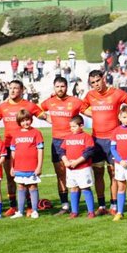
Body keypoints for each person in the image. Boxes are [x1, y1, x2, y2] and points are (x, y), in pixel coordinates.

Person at [0, 79, 47, 216]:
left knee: (28, 178)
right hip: (8, 146)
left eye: (16, 88)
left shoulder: (29, 105)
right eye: (10, 88)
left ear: (22, 90)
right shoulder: (2, 107)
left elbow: (45, 116)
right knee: (11, 178)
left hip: (27, 148)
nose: (12, 90)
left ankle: (30, 207)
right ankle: (13, 207)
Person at [82, 70, 127, 215]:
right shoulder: (90, 95)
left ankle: (114, 205)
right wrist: (94, 114)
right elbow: (82, 107)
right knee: (98, 173)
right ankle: (102, 205)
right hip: (96, 140)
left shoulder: (116, 93)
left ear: (103, 79)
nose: (96, 85)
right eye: (93, 83)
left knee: (113, 173)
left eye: (98, 81)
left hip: (113, 141)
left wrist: (123, 118)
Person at [41, 76, 89, 214]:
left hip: (72, 141)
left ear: (67, 87)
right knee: (60, 174)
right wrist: (47, 118)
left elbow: (88, 111)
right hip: (56, 141)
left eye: (62, 86)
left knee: (76, 172)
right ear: (54, 87)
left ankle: (75, 205)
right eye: (57, 86)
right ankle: (65, 205)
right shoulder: (49, 101)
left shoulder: (75, 101)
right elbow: (37, 109)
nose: (60, 89)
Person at [9, 109, 44, 219]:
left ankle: (34, 211)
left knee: (32, 187)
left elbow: (40, 150)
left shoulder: (36, 133)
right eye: (22, 121)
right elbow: (12, 152)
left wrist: (39, 166)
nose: (25, 123)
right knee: (20, 187)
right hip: (19, 167)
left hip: (32, 167)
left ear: (31, 120)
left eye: (27, 120)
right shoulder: (16, 134)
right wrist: (11, 167)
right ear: (19, 122)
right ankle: (20, 211)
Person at [59, 115, 96, 218]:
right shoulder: (68, 137)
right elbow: (61, 150)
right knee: (73, 189)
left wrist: (77, 162)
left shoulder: (87, 137)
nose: (72, 129)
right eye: (71, 127)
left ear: (82, 126)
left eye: (74, 126)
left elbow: (89, 152)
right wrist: (65, 161)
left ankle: (91, 211)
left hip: (83, 168)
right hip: (70, 169)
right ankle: (74, 211)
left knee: (85, 188)